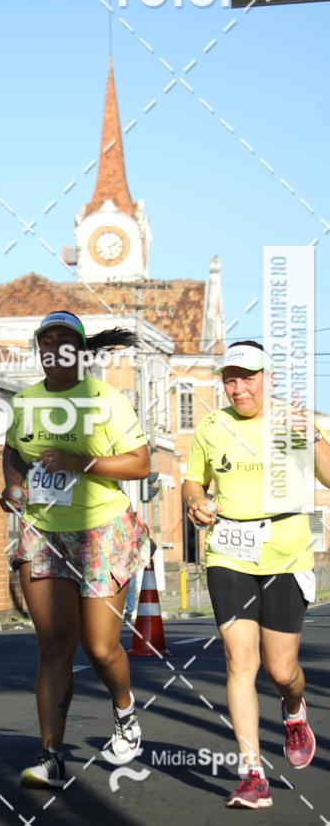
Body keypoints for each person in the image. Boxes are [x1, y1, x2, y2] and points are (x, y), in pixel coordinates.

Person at [0, 310, 151, 788]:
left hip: (101, 530)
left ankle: (124, 709)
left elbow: (140, 464)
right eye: (46, 341)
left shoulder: (107, 400)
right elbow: (13, 450)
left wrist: (80, 461)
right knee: (53, 645)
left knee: (101, 648)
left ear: (81, 352)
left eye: (64, 341)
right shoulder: (25, 402)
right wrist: (13, 485)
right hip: (44, 532)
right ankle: (50, 755)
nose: (54, 349)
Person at [182, 340, 330, 810]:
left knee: (282, 670)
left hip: (285, 553)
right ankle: (252, 773)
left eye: (247, 378)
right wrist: (194, 501)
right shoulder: (212, 425)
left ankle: (294, 709)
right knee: (238, 658)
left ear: (268, 378)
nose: (238, 388)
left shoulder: (294, 420)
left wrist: (314, 436)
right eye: (230, 379)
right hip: (229, 551)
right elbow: (193, 479)